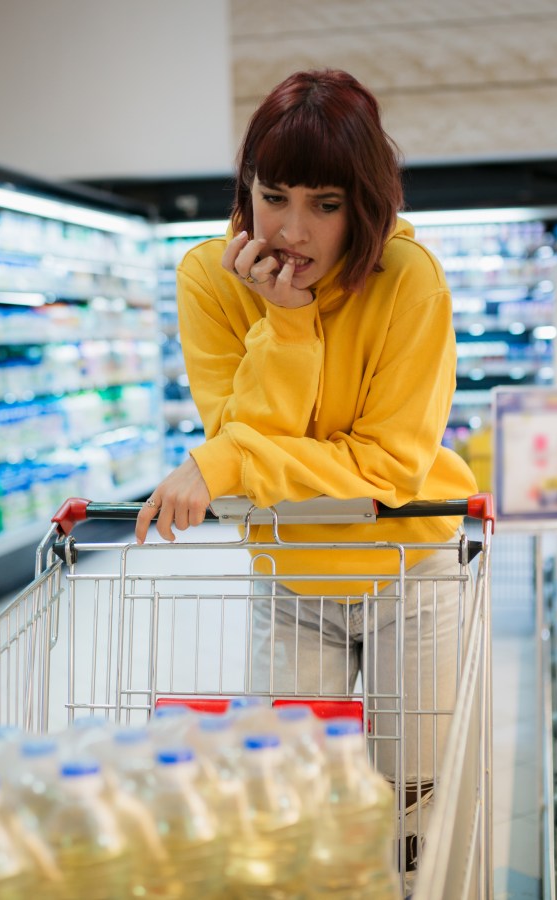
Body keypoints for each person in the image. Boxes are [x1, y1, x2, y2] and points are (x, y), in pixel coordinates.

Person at [134, 68, 478, 887]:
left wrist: (226, 463)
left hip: (408, 569)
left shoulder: (407, 278)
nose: (293, 231)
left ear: (364, 204)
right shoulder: (209, 279)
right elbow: (251, 444)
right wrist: (285, 324)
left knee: (411, 793)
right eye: (274, 195)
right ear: (245, 188)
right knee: (293, 795)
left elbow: (390, 465)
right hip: (290, 575)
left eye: (326, 204)